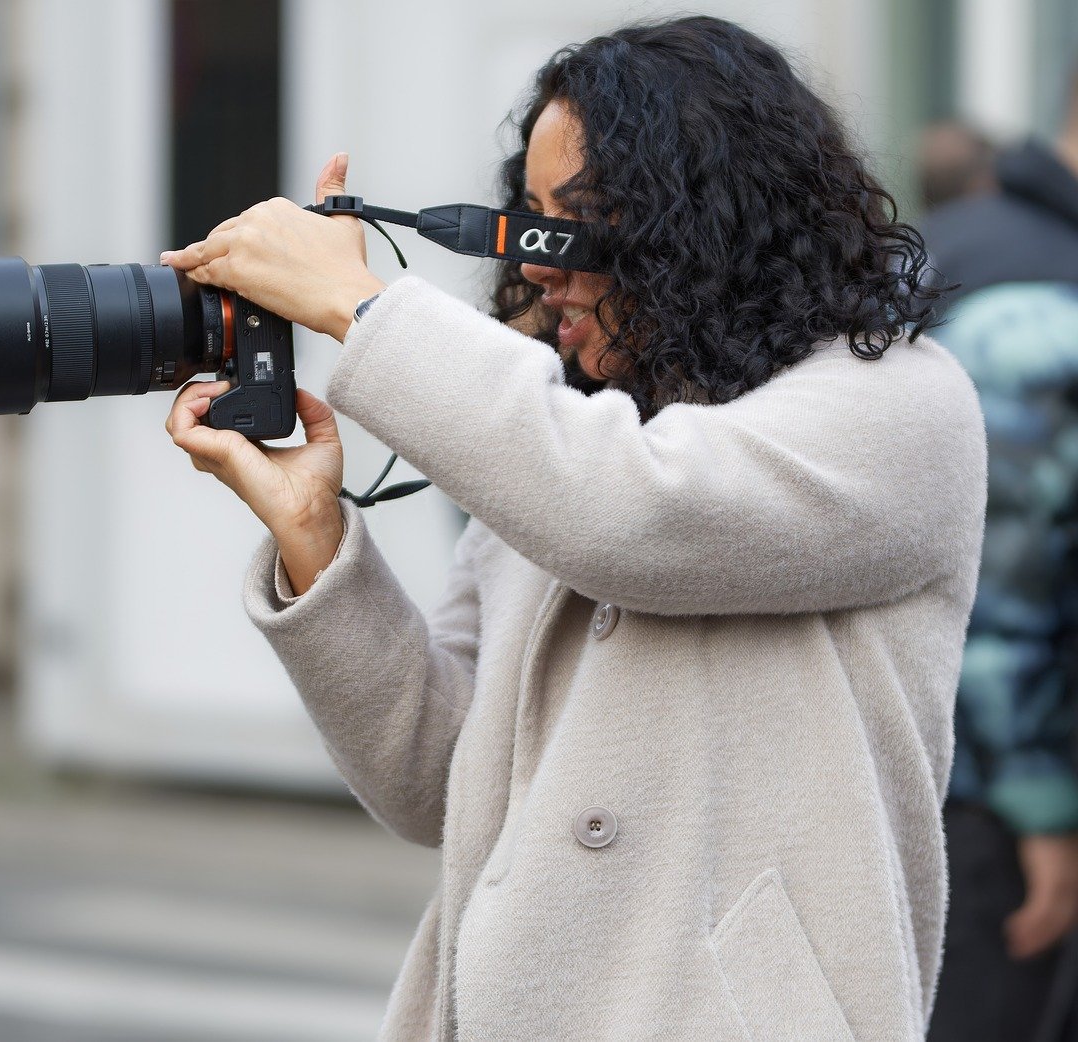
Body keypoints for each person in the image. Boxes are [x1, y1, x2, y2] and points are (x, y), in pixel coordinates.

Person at [162, 17, 986, 1040]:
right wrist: (315, 534)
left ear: (707, 223)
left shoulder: (898, 404)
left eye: (581, 221)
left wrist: (359, 306)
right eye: (530, 216)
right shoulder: (563, 434)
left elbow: (633, 516)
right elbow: (434, 780)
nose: (541, 263)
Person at [922, 66, 1078, 1042]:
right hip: (993, 809)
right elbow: (998, 583)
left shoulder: (953, 244)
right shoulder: (1039, 296)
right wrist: (1039, 811)